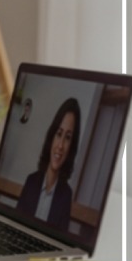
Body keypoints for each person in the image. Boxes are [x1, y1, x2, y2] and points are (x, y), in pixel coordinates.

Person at [16, 97, 82, 227]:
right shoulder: (31, 181)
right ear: (52, 137)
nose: (61, 145)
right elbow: (15, 225)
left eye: (68, 138)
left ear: (71, 147)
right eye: (59, 134)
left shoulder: (66, 195)